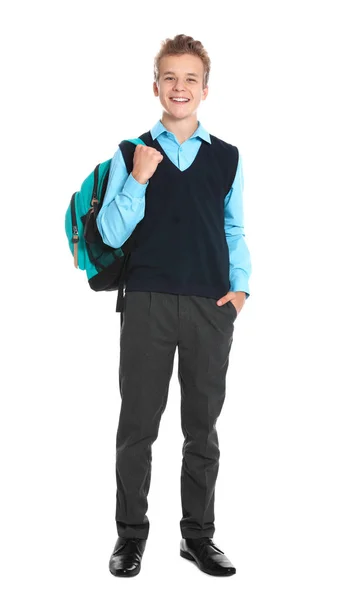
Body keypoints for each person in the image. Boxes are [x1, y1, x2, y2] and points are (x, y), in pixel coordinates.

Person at [96, 33, 252, 578]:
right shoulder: (131, 152)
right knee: (137, 425)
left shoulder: (227, 158)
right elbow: (111, 231)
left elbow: (233, 230)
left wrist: (240, 292)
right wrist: (139, 177)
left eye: (190, 78)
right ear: (155, 85)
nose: (179, 87)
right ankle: (130, 537)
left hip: (211, 306)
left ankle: (198, 536)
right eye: (170, 76)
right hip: (146, 303)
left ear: (205, 90)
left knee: (201, 428)